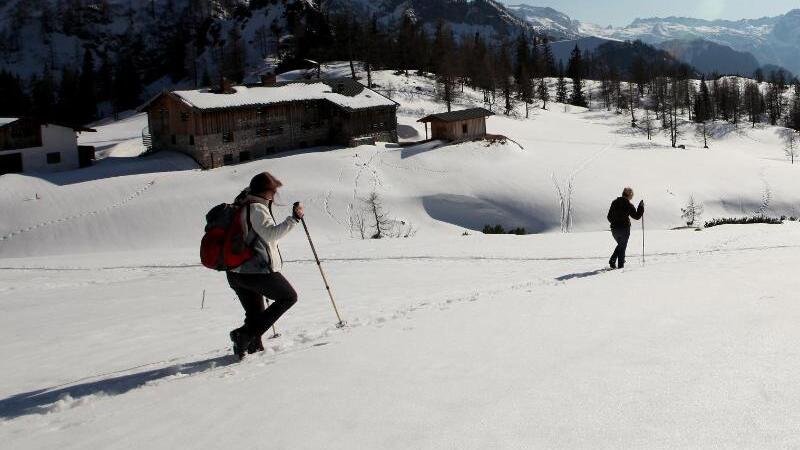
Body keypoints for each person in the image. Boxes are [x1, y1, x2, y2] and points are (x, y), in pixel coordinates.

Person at [227, 172, 304, 359]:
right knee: (288, 297)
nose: (274, 193)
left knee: (255, 314)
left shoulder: (243, 204)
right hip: (255, 270)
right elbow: (270, 234)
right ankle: (243, 336)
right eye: (273, 190)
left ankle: (250, 348)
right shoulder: (256, 208)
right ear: (266, 191)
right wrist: (294, 219)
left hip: (236, 272)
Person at [607, 187, 644, 269]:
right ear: (629, 195)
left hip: (614, 229)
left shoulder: (614, 202)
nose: (632, 197)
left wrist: (615, 222)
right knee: (622, 247)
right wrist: (641, 207)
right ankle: (620, 268)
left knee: (621, 245)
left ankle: (612, 260)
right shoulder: (628, 204)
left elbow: (609, 217)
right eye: (632, 195)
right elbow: (637, 216)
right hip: (624, 229)